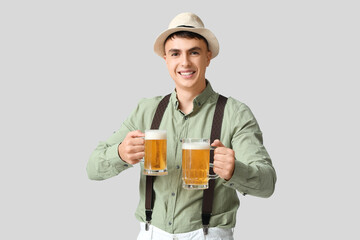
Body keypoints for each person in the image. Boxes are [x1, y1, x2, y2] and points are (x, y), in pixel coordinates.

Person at [87, 12, 277, 240]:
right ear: (166, 59)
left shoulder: (235, 113)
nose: (185, 62)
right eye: (175, 53)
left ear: (208, 57)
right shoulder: (146, 110)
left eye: (194, 52)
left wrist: (235, 170)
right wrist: (120, 154)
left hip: (208, 234)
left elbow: (267, 184)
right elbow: (92, 168)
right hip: (151, 233)